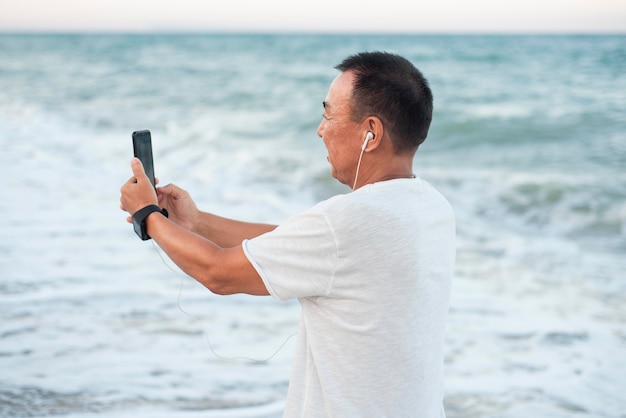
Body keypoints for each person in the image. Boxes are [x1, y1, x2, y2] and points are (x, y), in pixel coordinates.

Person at [120, 51, 456, 417]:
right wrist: (196, 222)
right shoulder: (431, 206)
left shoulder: (345, 222)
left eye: (328, 113)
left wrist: (148, 214)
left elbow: (219, 273)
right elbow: (296, 241)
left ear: (370, 133)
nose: (320, 128)